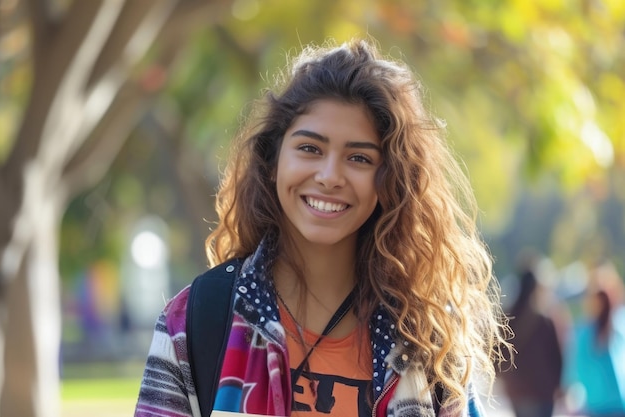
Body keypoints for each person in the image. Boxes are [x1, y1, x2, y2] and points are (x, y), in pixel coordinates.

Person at [134, 38, 511, 417]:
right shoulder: (197, 319)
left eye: (359, 157)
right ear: (272, 160)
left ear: (391, 181)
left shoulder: (425, 336)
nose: (330, 176)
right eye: (309, 149)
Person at [498, 253, 564, 417]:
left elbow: (497, 352)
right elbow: (557, 357)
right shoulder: (546, 319)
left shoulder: (507, 317)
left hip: (517, 391)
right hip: (542, 391)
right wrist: (558, 385)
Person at [564, 260, 625, 417]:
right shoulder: (619, 324)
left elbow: (574, 371)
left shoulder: (585, 332)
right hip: (618, 403)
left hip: (596, 404)